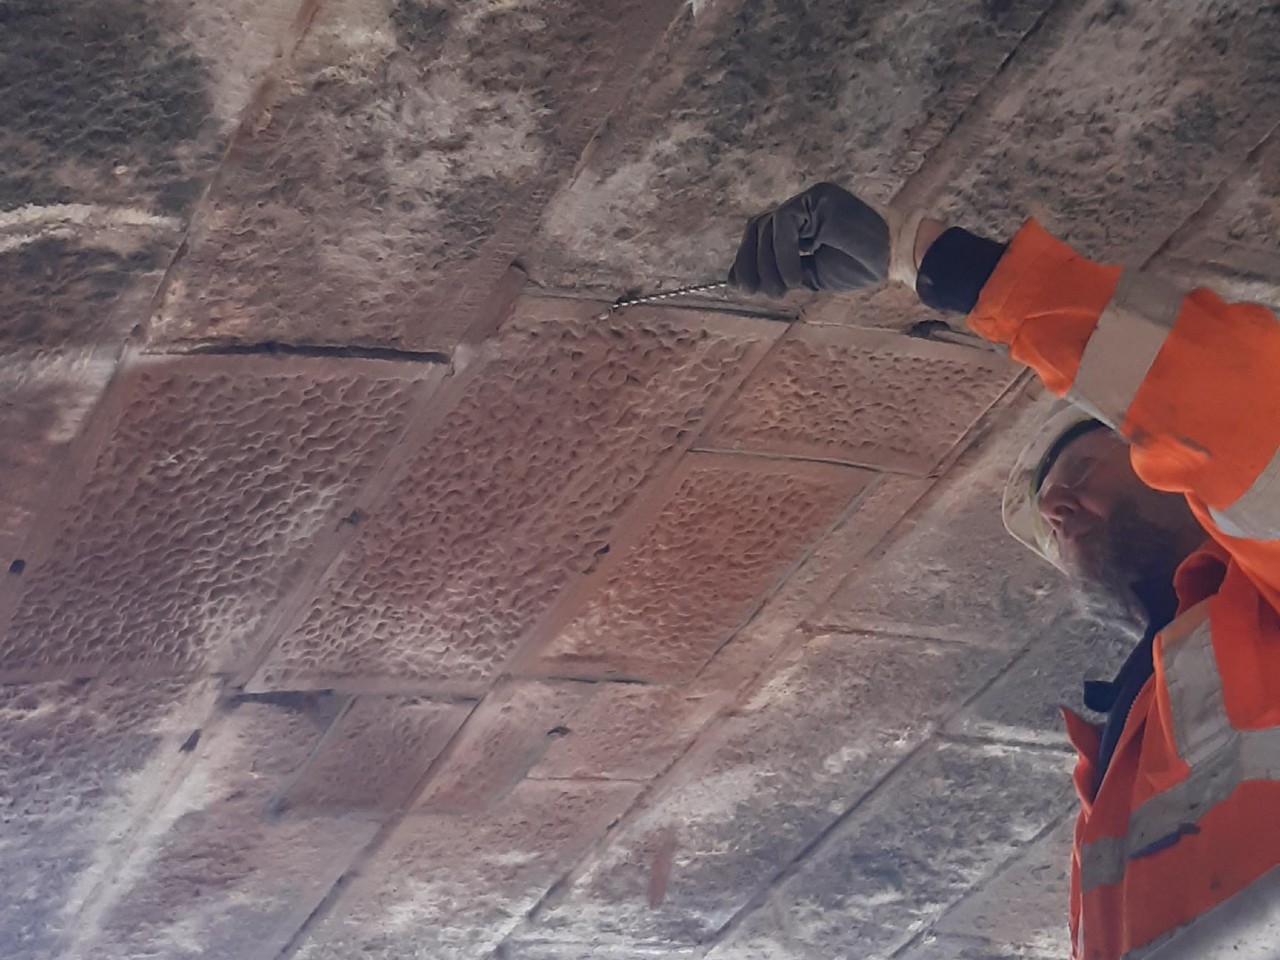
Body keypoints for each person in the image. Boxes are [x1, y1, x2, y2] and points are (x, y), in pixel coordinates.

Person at [727, 183, 1280, 960]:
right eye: (1055, 501)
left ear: (1173, 465)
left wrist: (919, 256)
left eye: (1082, 468)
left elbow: (1237, 407)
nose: (1056, 511)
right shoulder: (1128, 747)